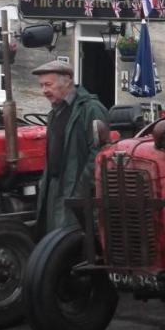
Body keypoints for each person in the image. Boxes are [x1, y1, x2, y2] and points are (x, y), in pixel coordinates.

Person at [32, 58, 108, 234]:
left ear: (67, 81)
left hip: (75, 190)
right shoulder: (54, 112)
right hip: (54, 187)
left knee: (68, 240)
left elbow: (98, 154)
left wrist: (81, 190)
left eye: (48, 85)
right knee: (51, 239)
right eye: (42, 86)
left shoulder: (91, 109)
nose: (44, 90)